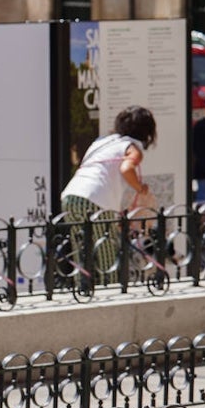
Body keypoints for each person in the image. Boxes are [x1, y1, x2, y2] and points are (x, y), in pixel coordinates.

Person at [60, 105, 157, 284]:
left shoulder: (102, 141)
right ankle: (110, 290)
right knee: (106, 252)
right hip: (94, 200)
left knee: (83, 250)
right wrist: (139, 187)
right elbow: (126, 168)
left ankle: (84, 290)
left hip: (70, 196)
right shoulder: (132, 147)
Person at [192, 96, 205, 206]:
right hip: (203, 172)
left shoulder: (200, 126)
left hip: (203, 172)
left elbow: (194, 147)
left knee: (204, 204)